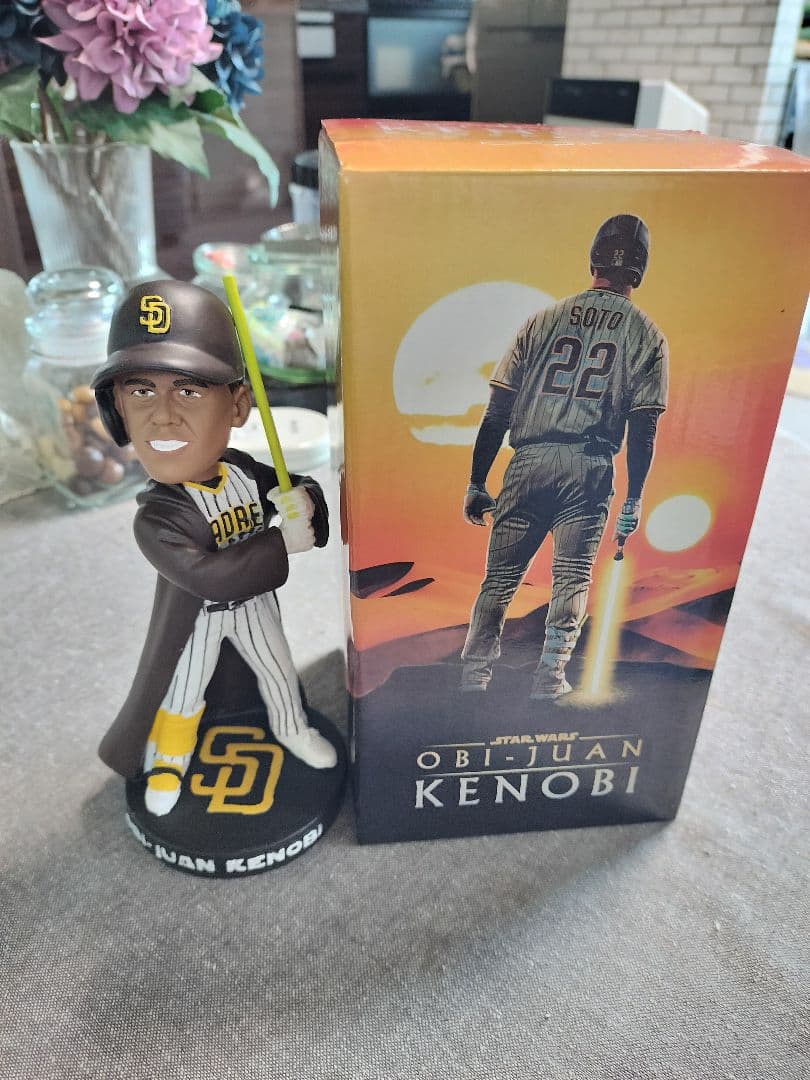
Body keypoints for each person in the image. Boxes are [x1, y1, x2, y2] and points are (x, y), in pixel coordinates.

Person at [91, 280, 337, 817]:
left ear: (238, 404)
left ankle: (292, 731)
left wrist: (303, 499)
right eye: (141, 392)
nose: (163, 415)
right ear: (117, 409)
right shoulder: (157, 517)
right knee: (184, 692)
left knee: (279, 674)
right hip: (198, 618)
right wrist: (283, 541)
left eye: (189, 390)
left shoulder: (243, 471)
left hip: (255, 609)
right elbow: (208, 577)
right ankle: (169, 764)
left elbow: (295, 486)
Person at [461, 214, 669, 699]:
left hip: (529, 459)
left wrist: (476, 480)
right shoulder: (648, 334)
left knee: (499, 580)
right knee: (572, 577)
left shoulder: (542, 319)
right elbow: (644, 427)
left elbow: (497, 412)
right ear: (640, 269)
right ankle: (549, 678)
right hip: (590, 465)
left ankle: (472, 679)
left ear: (594, 258)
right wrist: (634, 498)